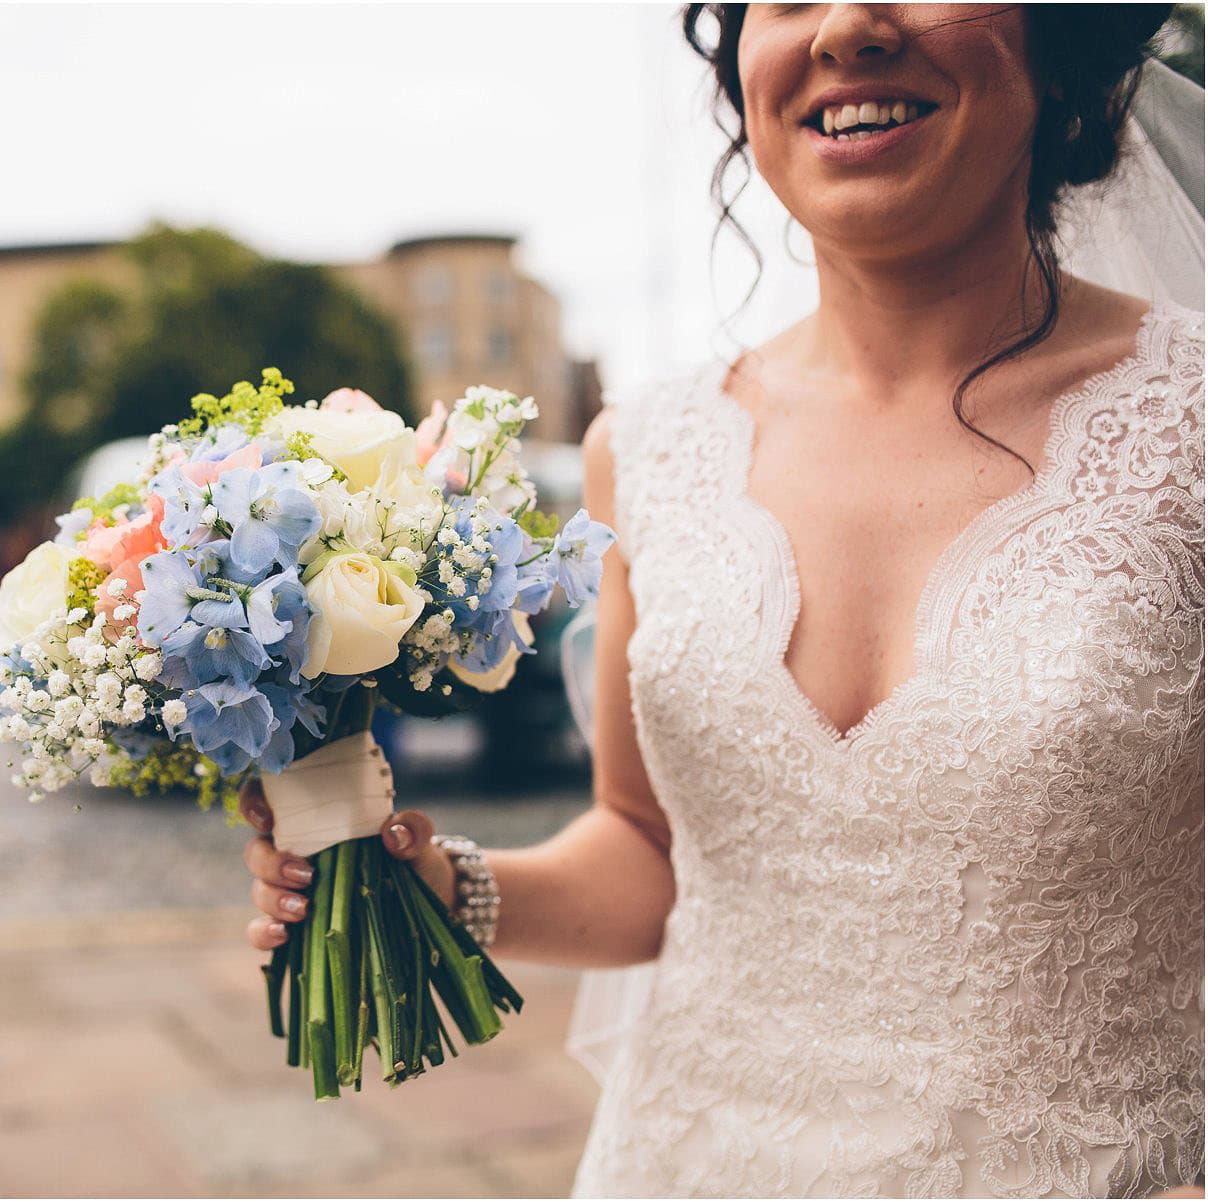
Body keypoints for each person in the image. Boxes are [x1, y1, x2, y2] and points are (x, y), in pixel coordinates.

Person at [239, 5, 1203, 1196]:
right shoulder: (645, 448)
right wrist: (430, 882)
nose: (846, 27)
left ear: (1060, 40)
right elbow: (650, 851)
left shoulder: (1192, 423)